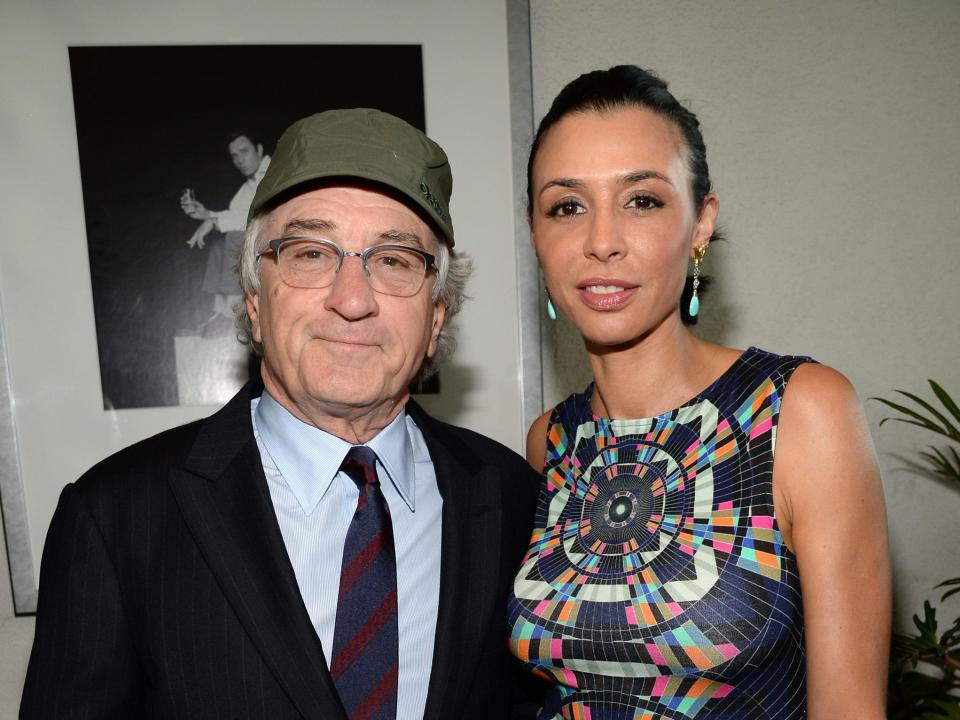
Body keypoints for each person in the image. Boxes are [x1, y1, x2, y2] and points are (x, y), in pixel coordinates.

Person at [22, 109, 540, 719]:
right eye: (311, 253)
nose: (352, 299)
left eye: (395, 260)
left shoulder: (514, 499)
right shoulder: (115, 518)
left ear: (434, 320)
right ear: (254, 302)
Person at [507, 66, 891, 719]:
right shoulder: (551, 442)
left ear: (701, 225)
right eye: (567, 206)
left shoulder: (798, 411)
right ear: (537, 236)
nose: (602, 242)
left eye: (643, 200)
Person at [181, 131, 271, 335]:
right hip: (258, 235)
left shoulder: (272, 172)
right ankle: (219, 311)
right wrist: (207, 215)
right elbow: (236, 212)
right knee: (216, 246)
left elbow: (255, 216)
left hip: (276, 236)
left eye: (244, 151)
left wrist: (213, 221)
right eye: (234, 156)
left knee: (234, 237)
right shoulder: (249, 184)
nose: (239, 159)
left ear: (259, 149)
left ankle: (233, 313)